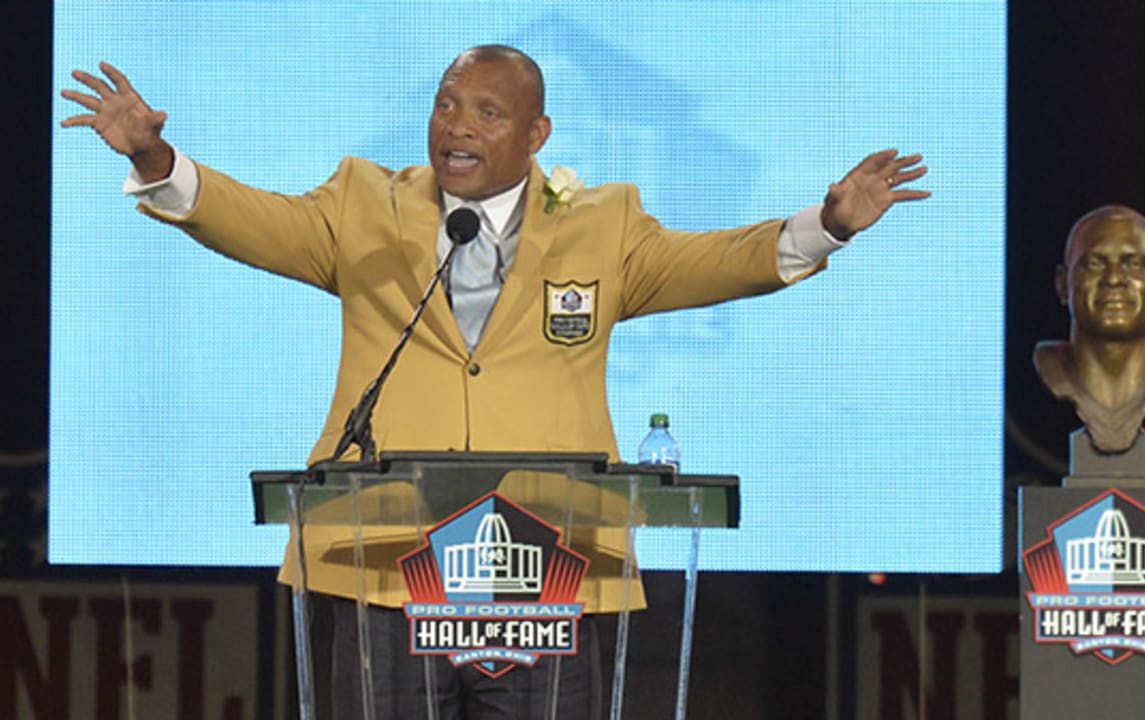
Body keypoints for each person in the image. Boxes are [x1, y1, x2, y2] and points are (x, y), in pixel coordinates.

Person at [62, 46, 929, 718]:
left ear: (535, 134)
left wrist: (830, 224)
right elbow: (255, 221)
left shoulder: (604, 224)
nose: (457, 127)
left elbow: (720, 261)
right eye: (445, 105)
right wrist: (157, 157)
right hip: (385, 568)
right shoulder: (364, 204)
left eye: (484, 110)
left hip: (543, 567)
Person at [1034, 205, 1145, 454]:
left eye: (1133, 264)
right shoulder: (1053, 368)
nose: (1114, 279)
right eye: (1094, 264)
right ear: (1063, 284)